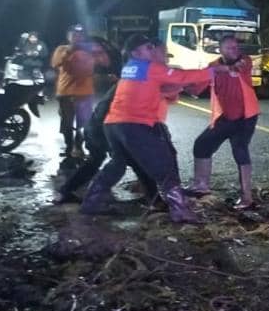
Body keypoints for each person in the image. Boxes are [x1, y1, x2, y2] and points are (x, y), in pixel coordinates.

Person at [79, 34, 221, 223]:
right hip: (135, 125)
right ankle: (179, 210)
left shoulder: (130, 68)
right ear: (135, 52)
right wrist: (212, 71)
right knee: (165, 165)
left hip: (114, 125)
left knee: (117, 165)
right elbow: (181, 76)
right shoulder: (149, 67)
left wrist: (177, 88)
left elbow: (162, 90)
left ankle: (91, 202)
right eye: (149, 48)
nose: (153, 51)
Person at [52, 84, 160, 207]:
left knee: (94, 162)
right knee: (134, 162)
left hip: (95, 126)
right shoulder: (136, 87)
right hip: (106, 129)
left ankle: (64, 192)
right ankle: (154, 200)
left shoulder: (125, 84)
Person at [186, 33, 260, 209]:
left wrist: (232, 67)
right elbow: (196, 89)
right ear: (221, 50)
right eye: (230, 48)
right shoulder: (214, 67)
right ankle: (201, 186)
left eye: (236, 47)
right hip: (225, 117)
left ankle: (247, 198)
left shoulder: (246, 61)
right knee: (202, 144)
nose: (235, 50)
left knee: (240, 150)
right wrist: (182, 84)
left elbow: (240, 67)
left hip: (245, 117)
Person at [50, 24, 109, 157]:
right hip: (65, 93)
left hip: (85, 93)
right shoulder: (62, 49)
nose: (77, 37)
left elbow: (105, 62)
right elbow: (55, 63)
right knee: (67, 123)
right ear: (68, 36)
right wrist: (71, 49)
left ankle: (79, 147)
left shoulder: (90, 50)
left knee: (84, 123)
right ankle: (69, 147)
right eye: (74, 34)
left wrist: (100, 50)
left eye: (80, 35)